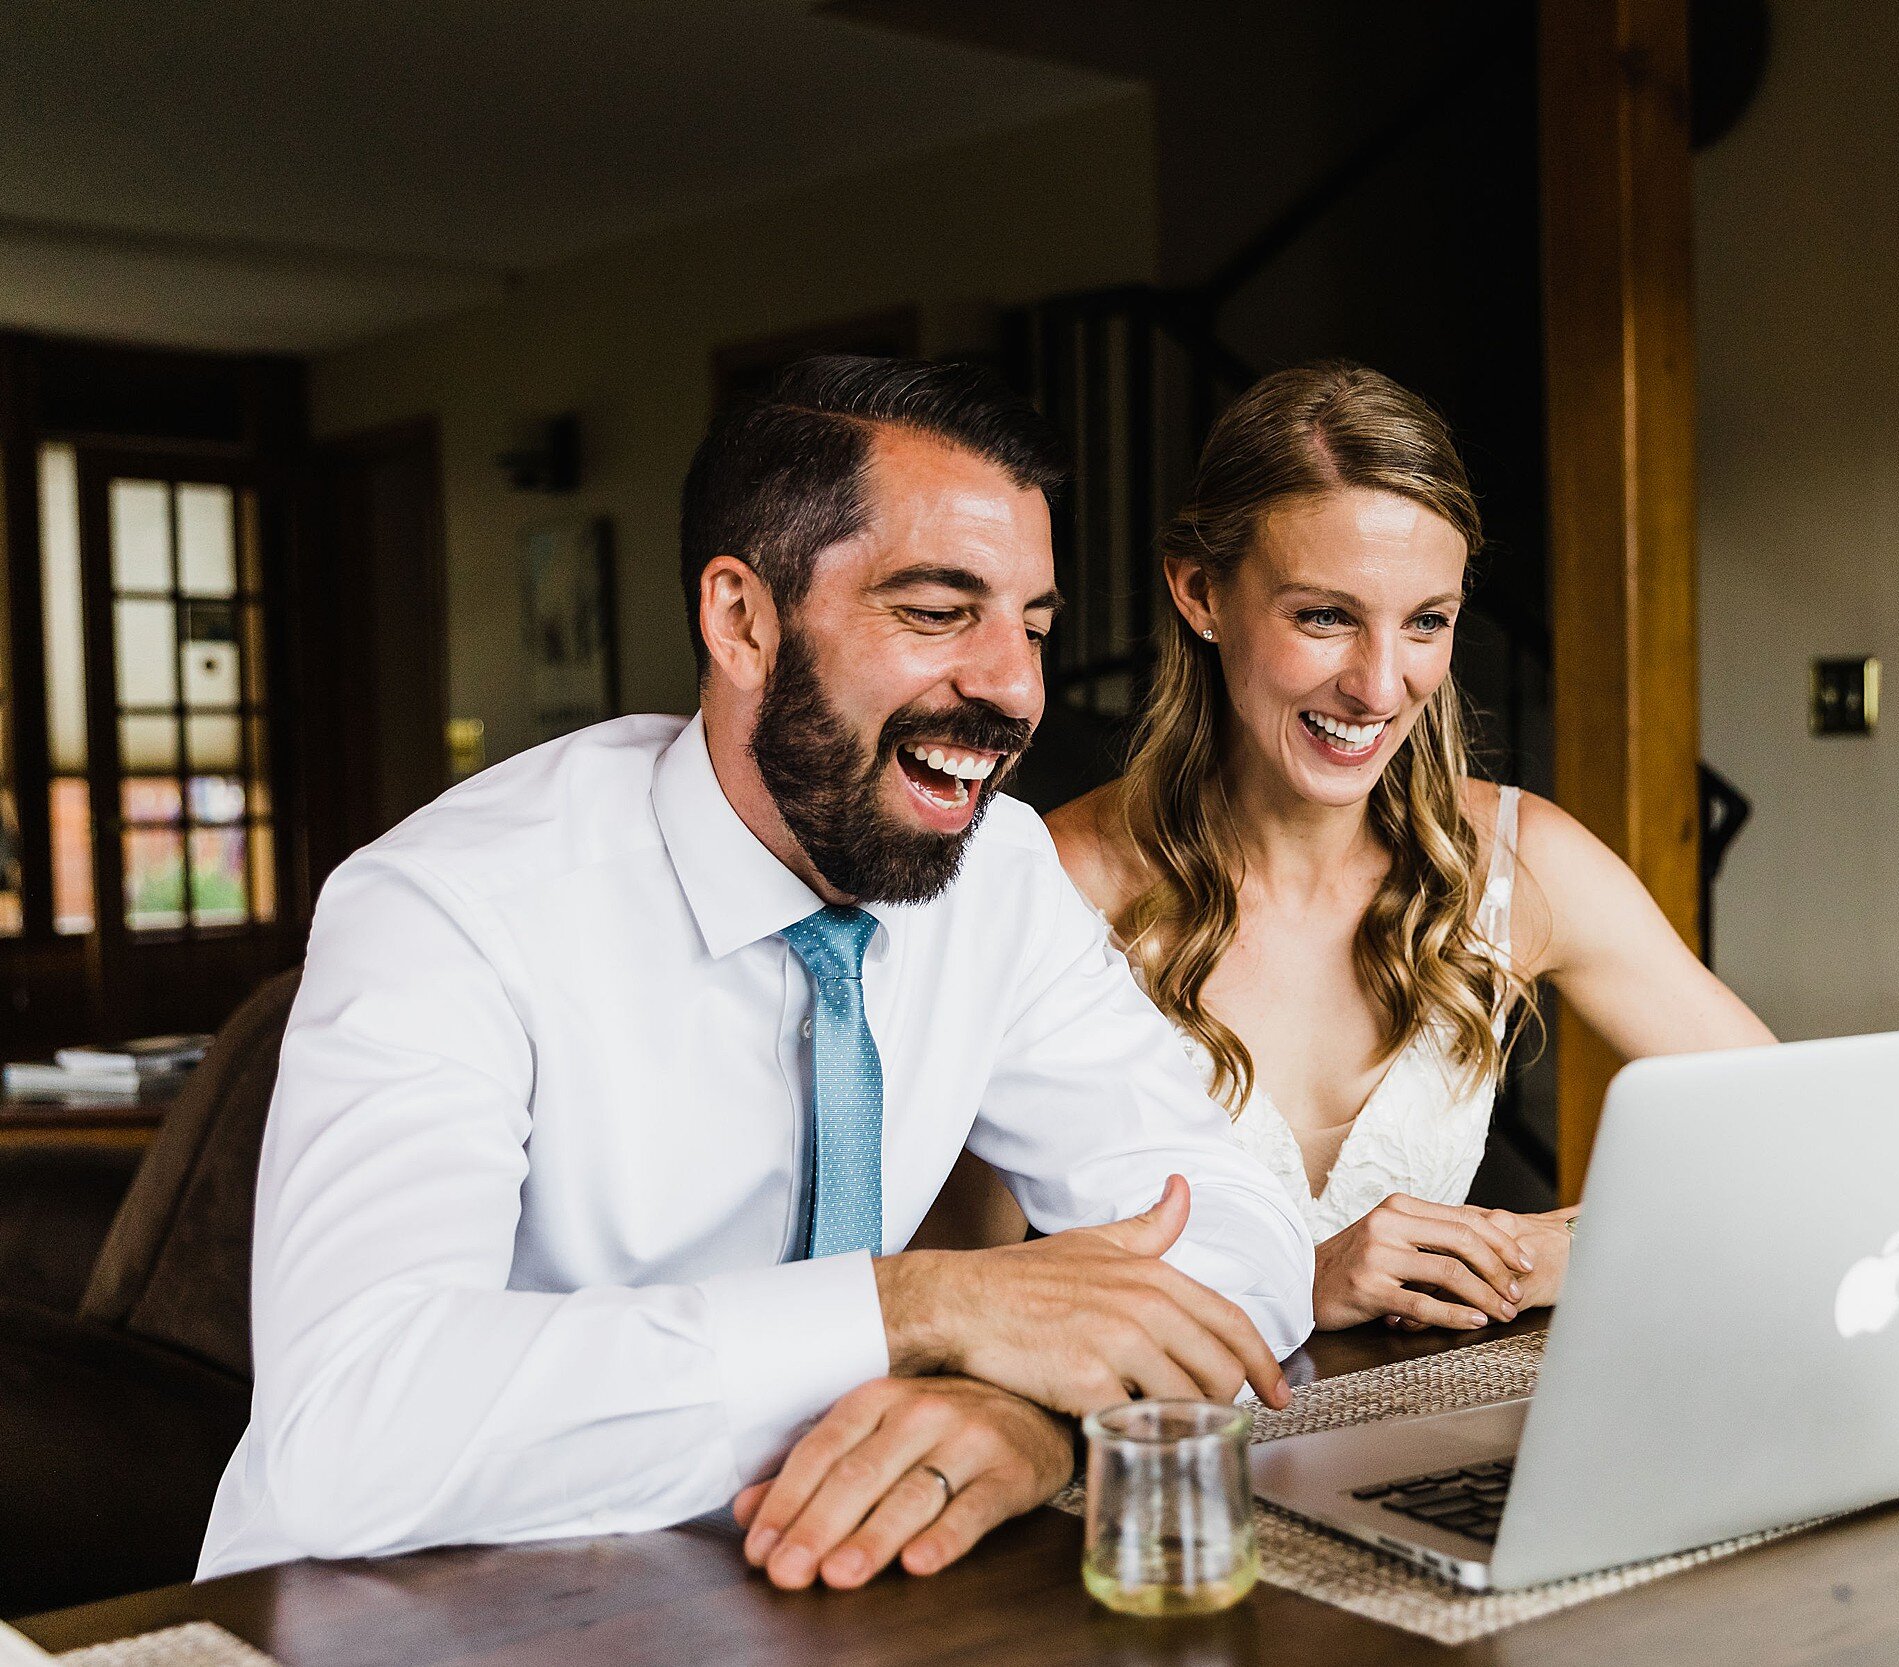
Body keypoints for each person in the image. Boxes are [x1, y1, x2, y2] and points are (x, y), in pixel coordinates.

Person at [199, 357, 1313, 1593]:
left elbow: (1232, 1213)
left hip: (796, 1599)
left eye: (1033, 627)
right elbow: (350, 1430)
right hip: (402, 1607)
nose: (1014, 688)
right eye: (938, 612)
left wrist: (1028, 1414)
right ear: (741, 620)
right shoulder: (448, 908)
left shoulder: (996, 873)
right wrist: (911, 1311)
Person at [1048, 362, 1773, 1334]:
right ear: (1200, 592)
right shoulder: (1054, 885)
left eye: (1425, 621)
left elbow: (1794, 1136)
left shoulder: (1521, 860)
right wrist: (1293, 1287)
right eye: (1325, 616)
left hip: (1413, 1451)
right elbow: (954, 1282)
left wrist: (1559, 1248)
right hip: (1159, 1467)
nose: (1380, 686)